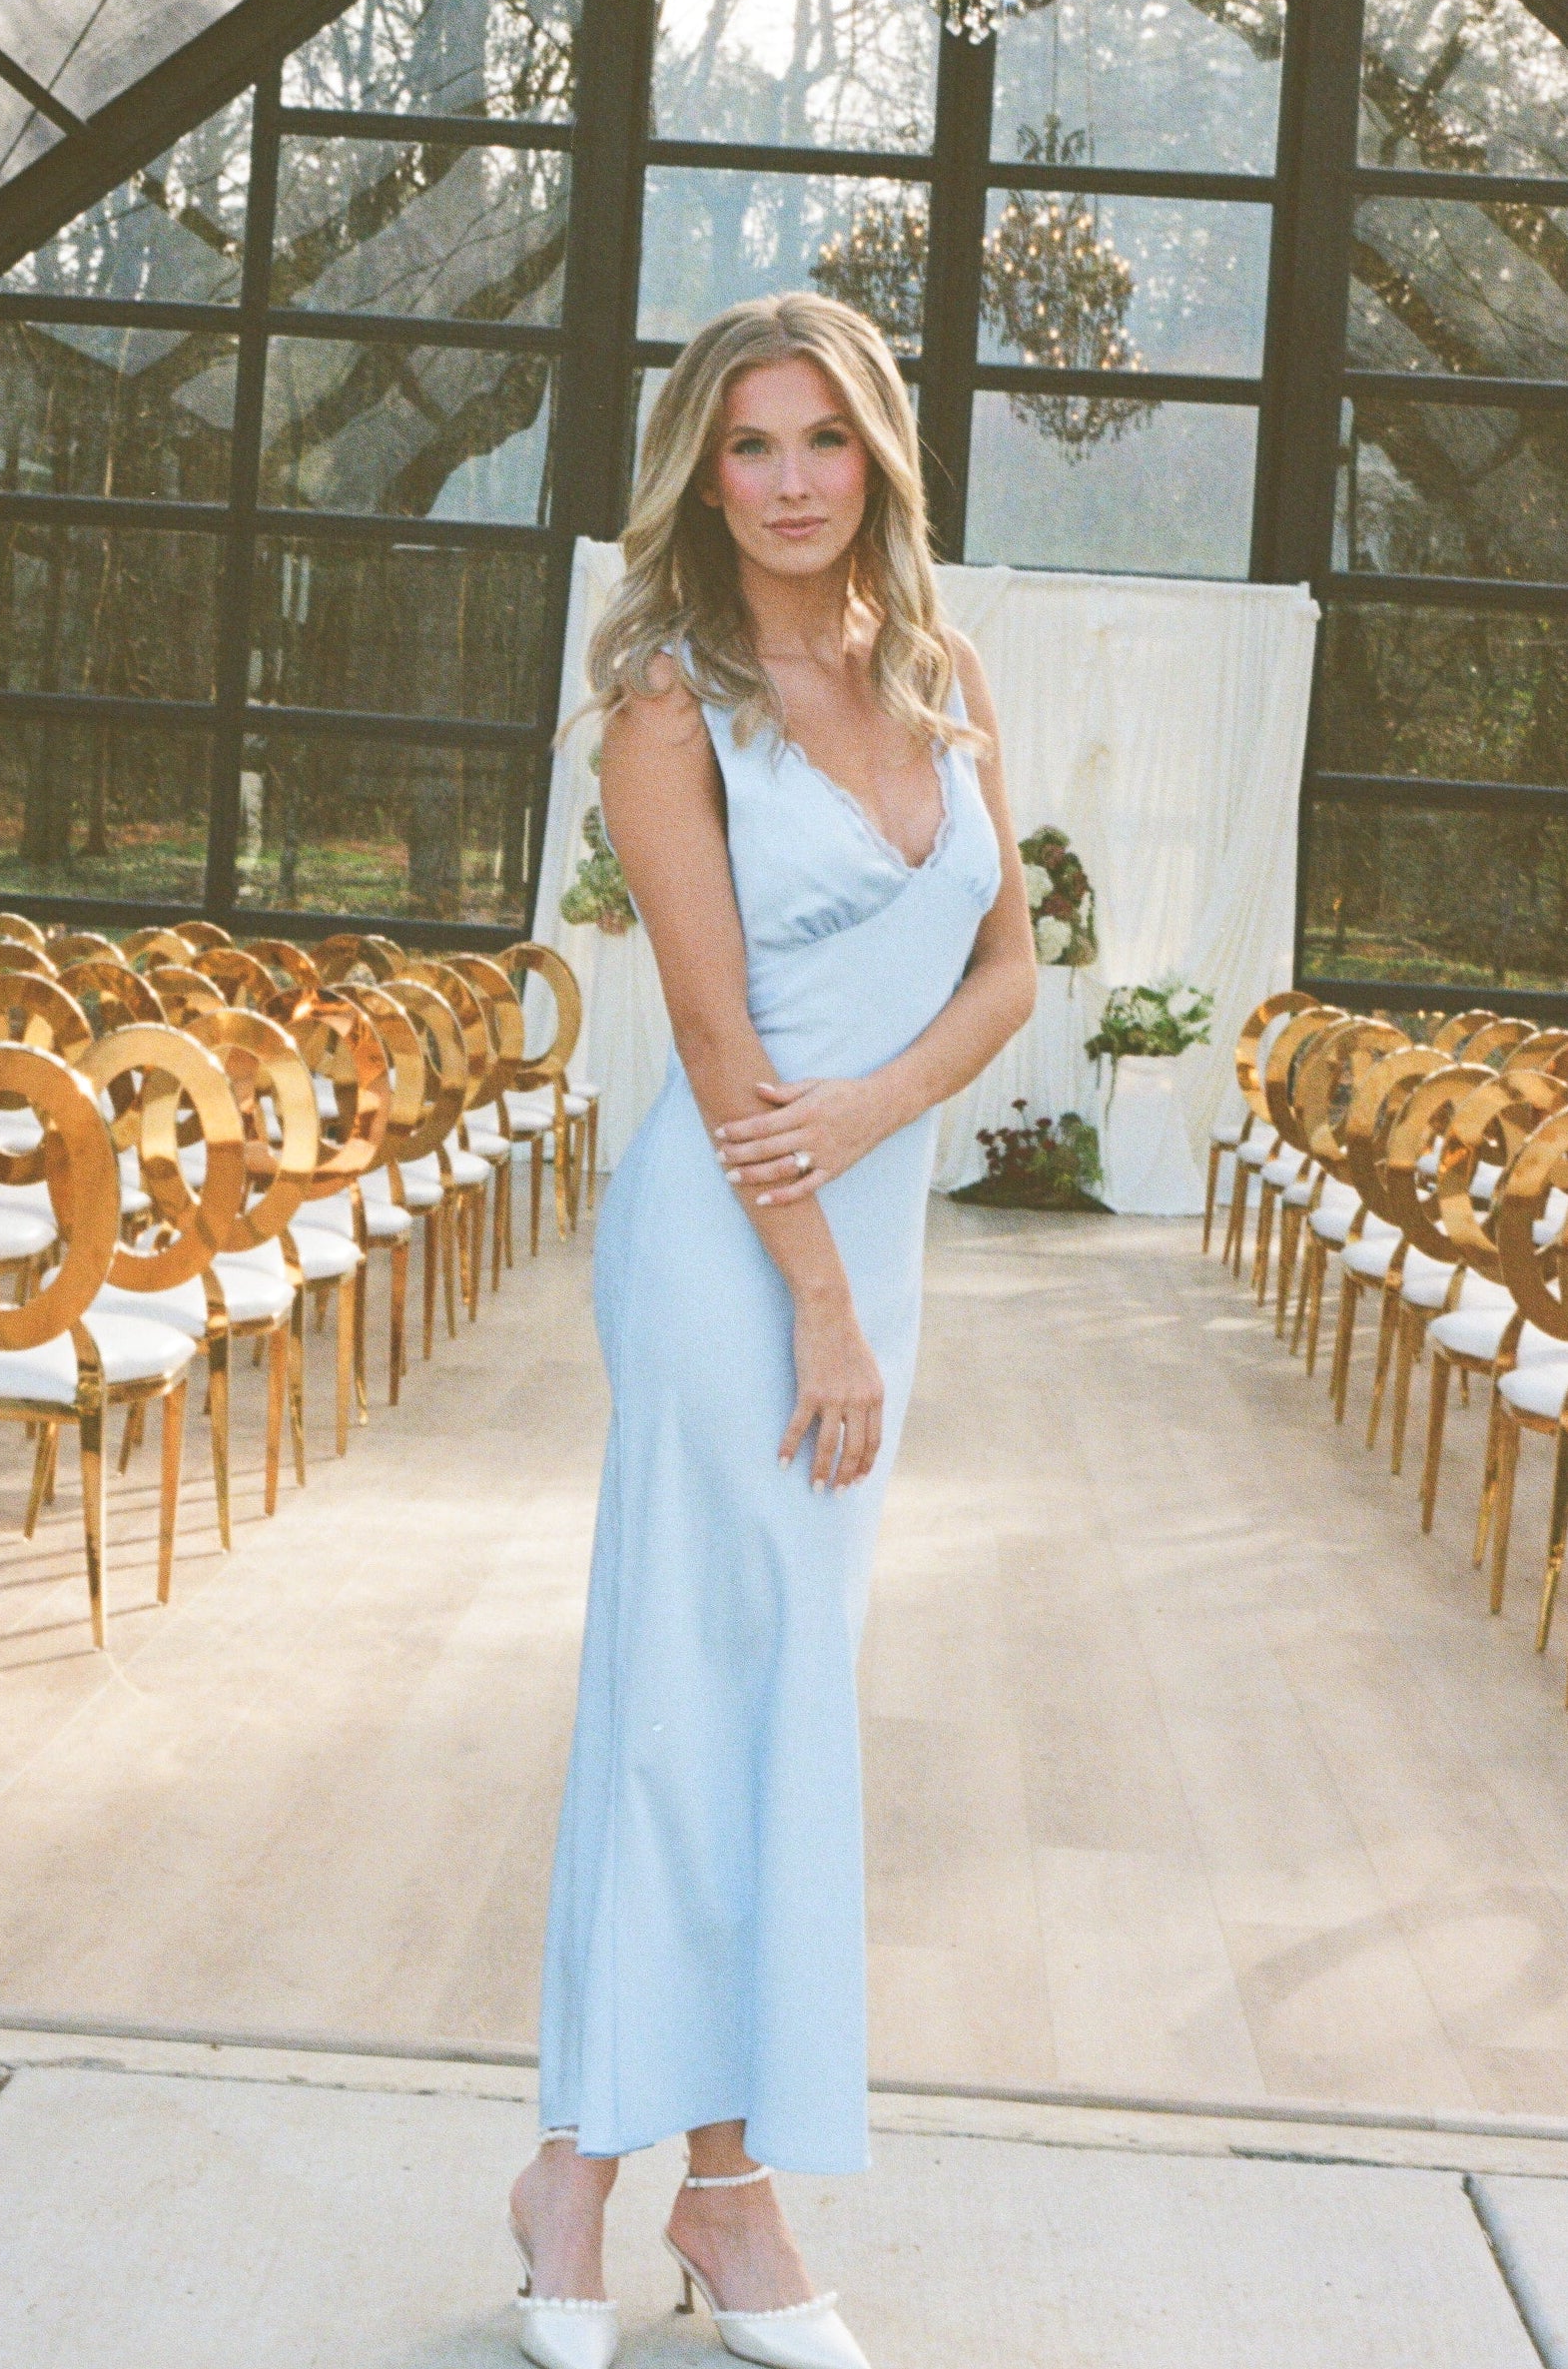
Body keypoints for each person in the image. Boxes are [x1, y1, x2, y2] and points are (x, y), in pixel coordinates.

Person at [507, 291, 1036, 2369]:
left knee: (769, 1693)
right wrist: (820, 1299)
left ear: (878, 454)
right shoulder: (665, 692)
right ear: (699, 472)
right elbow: (720, 1045)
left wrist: (880, 1125)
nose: (796, 481)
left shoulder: (941, 667)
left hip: (860, 1230)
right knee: (698, 1690)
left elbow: (1003, 979)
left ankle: (609, 2179)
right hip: (739, 1259)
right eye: (753, 446)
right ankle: (696, 2196)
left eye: (828, 440)